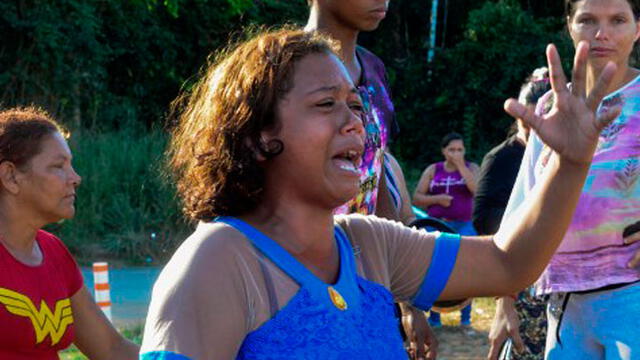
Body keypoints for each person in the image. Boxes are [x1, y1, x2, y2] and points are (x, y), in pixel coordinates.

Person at [138, 28, 621, 359]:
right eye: (326, 104)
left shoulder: (368, 245)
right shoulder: (218, 264)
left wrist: (570, 162)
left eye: (354, 104)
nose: (354, 123)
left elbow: (509, 264)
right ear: (258, 134)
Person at [491, 1, 640, 358]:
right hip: (564, 298)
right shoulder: (549, 107)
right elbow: (525, 201)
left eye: (617, 20)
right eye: (587, 20)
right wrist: (504, 298)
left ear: (638, 28)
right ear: (569, 27)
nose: (602, 33)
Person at [305, 2, 436, 358]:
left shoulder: (373, 70)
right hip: (300, 280)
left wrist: (408, 299)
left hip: (365, 277)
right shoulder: (285, 67)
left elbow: (375, 180)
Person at [0, 107, 139, 359]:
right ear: (10, 176)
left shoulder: (53, 252)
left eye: (71, 165)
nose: (75, 178)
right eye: (58, 166)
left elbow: (111, 349)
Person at [476, 69, 552, 360]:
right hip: (521, 278)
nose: (532, 130)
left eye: (539, 121)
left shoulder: (571, 152)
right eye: (525, 122)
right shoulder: (501, 158)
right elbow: (484, 218)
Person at [305, 0, 399, 217]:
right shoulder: (283, 68)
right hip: (297, 245)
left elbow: (377, 164)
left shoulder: (374, 69)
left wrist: (390, 242)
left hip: (361, 244)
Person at [413, 132, 479, 327]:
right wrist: (437, 199)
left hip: (464, 225)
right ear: (443, 151)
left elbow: (477, 190)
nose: (456, 153)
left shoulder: (471, 167)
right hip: (438, 224)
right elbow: (417, 198)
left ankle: (465, 318)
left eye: (460, 149)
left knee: (466, 268)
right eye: (452, 150)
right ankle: (435, 317)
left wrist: (460, 166)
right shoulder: (433, 170)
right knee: (436, 269)